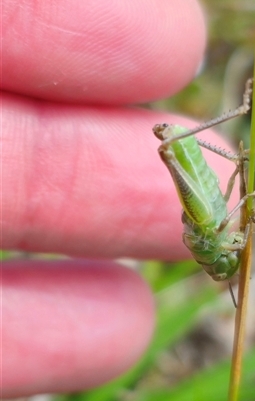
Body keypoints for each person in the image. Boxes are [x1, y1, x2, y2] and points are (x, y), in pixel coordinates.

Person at [1, 0, 235, 397]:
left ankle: (209, 133)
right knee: (208, 200)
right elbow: (229, 200)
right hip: (202, 203)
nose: (224, 264)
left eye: (218, 268)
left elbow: (227, 204)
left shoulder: (212, 239)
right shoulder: (216, 239)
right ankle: (227, 122)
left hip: (199, 203)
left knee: (201, 199)